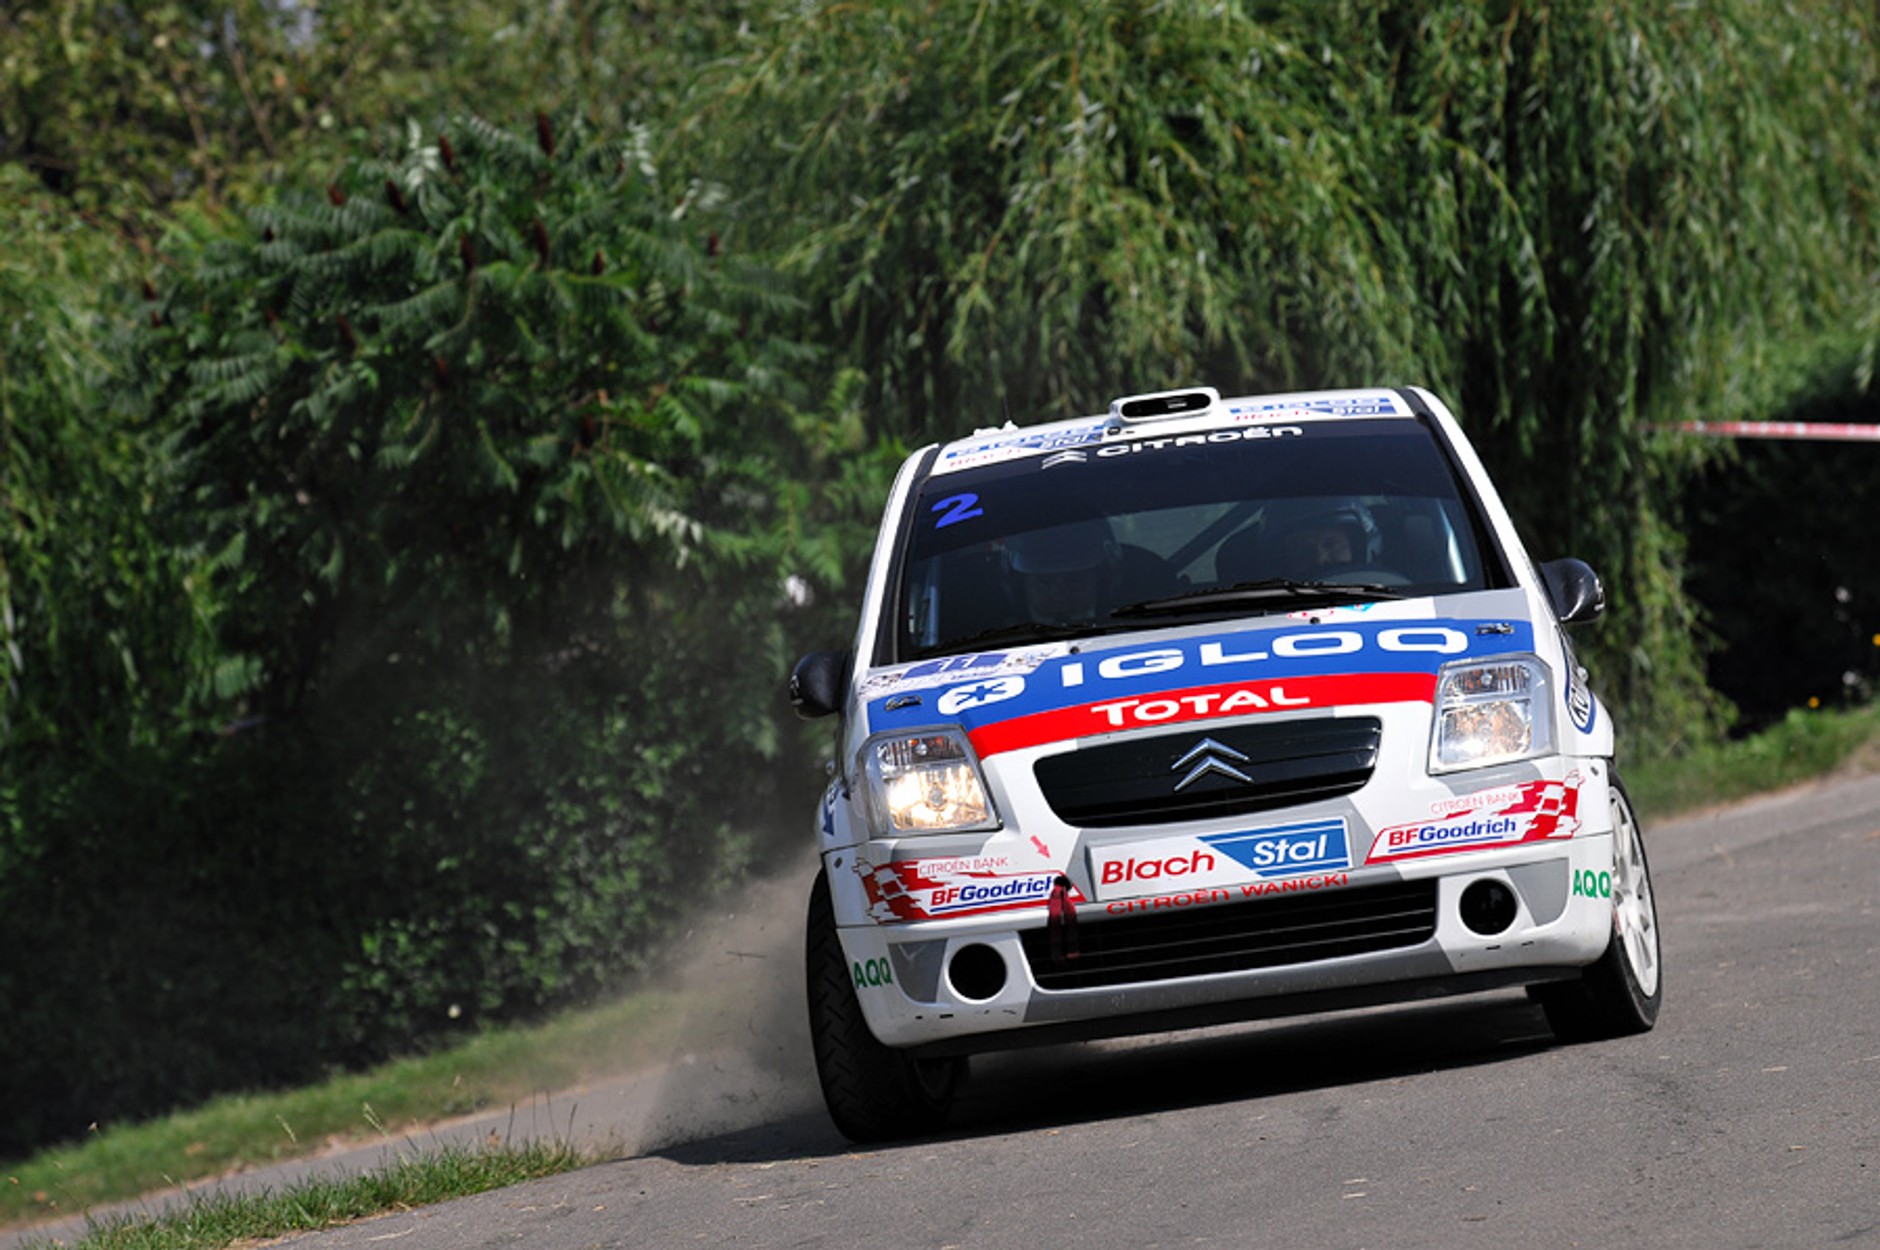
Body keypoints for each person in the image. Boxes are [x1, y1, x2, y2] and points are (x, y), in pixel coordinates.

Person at [1002, 518, 1120, 626]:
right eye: (1044, 582)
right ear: (1020, 586)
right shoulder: (996, 638)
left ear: (1101, 580)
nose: (1059, 594)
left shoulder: (1128, 627)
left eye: (1074, 579)